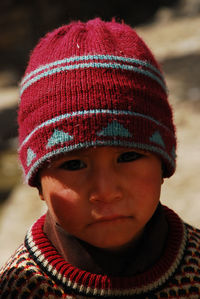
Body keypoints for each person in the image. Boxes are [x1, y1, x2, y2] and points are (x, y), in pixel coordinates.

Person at [0, 18, 200, 298]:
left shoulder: (194, 265)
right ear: (39, 184)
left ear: (163, 164)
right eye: (73, 164)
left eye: (128, 156)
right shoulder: (25, 288)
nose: (105, 191)